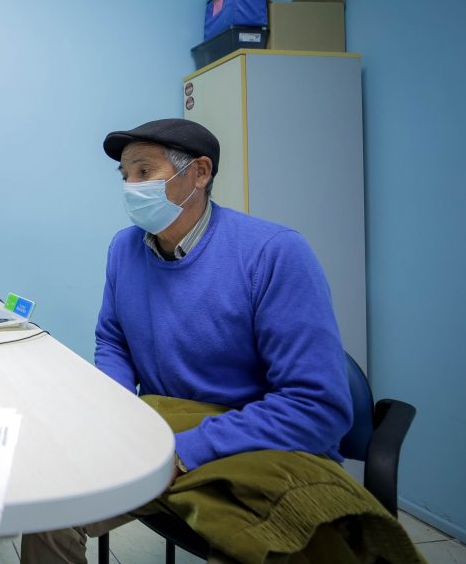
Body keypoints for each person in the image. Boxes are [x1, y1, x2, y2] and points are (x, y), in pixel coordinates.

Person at [21, 118, 355, 563]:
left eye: (144, 172)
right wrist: (114, 414)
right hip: (160, 434)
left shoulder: (274, 253)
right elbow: (113, 340)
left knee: (266, 544)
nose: (130, 187)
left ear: (199, 173)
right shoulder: (125, 249)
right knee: (48, 504)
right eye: (125, 177)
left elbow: (318, 406)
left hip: (253, 444)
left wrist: (185, 452)